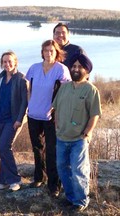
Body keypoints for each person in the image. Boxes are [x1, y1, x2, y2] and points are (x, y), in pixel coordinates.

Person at [52, 53, 101, 212]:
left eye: (80, 67)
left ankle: (80, 201)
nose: (76, 69)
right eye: (73, 66)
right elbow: (56, 108)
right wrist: (57, 125)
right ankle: (71, 198)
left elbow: (94, 114)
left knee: (78, 170)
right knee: (62, 168)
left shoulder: (91, 90)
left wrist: (86, 133)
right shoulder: (64, 87)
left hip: (78, 139)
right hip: (61, 137)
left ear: (87, 71)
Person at [26, 40, 71, 197]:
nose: (48, 53)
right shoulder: (34, 68)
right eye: (46, 50)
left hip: (51, 116)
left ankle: (54, 185)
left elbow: (65, 93)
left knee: (52, 150)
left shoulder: (61, 70)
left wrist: (58, 111)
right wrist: (29, 105)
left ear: (56, 52)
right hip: (33, 115)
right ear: (42, 52)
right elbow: (29, 89)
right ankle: (39, 177)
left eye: (51, 50)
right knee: (37, 148)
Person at [0, 51, 28, 191]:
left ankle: (14, 180)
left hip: (13, 120)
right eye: (4, 62)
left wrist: (19, 119)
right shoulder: (0, 78)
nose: (7, 64)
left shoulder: (21, 79)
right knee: (2, 150)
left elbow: (24, 102)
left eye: (10, 61)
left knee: (4, 147)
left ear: (15, 62)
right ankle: (3, 180)